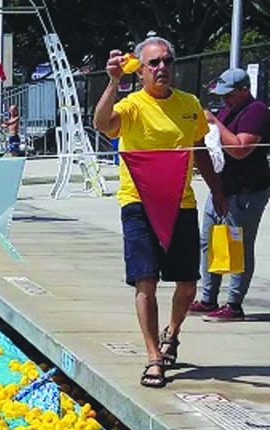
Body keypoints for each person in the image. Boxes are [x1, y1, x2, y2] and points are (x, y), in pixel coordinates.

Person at [93, 37, 227, 388]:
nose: (161, 68)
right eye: (153, 63)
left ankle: (173, 333)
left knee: (187, 284)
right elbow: (102, 124)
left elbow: (199, 147)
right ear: (140, 72)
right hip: (137, 202)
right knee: (145, 281)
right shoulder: (132, 105)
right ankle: (154, 357)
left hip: (181, 202)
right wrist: (112, 82)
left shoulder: (189, 104)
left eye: (167, 61)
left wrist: (217, 189)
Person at [189, 68, 270, 322]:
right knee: (209, 242)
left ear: (244, 90)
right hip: (222, 188)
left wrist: (215, 123)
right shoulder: (228, 110)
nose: (225, 100)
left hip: (246, 191)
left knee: (239, 246)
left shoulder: (256, 112)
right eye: (222, 95)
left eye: (230, 95)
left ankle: (234, 304)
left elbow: (239, 149)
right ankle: (208, 297)